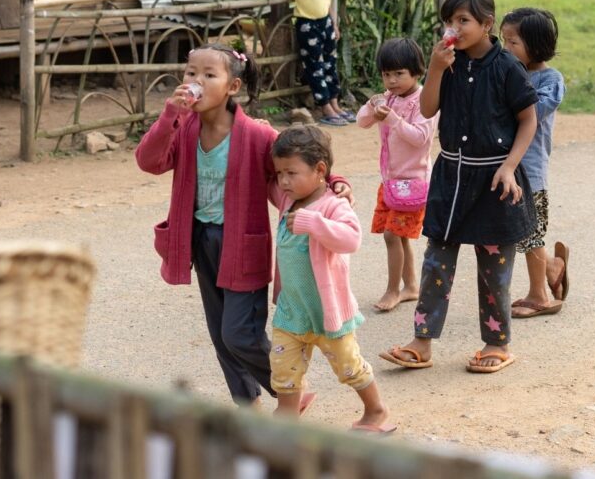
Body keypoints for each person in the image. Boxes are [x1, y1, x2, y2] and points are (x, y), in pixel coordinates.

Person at [135, 43, 353, 407]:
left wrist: (333, 182)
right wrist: (169, 116)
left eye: (209, 75)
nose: (196, 81)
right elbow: (149, 161)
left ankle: (288, 391)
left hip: (242, 245)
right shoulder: (184, 128)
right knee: (221, 334)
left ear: (232, 87)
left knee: (240, 334)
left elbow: (299, 157)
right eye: (191, 73)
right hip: (200, 240)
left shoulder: (255, 134)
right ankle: (245, 400)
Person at [379, 0, 538, 374]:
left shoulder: (507, 67)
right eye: (448, 20)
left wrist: (508, 166)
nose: (453, 27)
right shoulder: (448, 63)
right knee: (437, 261)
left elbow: (528, 119)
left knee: (494, 268)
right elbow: (429, 106)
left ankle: (496, 343)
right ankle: (421, 343)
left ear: (486, 24)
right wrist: (434, 69)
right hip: (452, 176)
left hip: (495, 179)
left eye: (462, 20)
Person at [270, 125, 395, 433]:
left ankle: (376, 410)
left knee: (349, 365)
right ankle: (287, 416)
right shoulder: (289, 199)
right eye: (279, 173)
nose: (283, 181)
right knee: (283, 367)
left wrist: (315, 222)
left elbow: (351, 239)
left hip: (327, 312)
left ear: (320, 170)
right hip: (292, 311)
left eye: (291, 173)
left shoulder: (332, 205)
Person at [235, 0, 354, 126]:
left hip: (325, 24)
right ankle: (325, 107)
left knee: (330, 64)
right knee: (315, 66)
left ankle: (335, 103)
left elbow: (328, 1)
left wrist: (335, 24)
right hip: (308, 25)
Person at [356, 38, 437, 313]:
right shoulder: (389, 98)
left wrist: (391, 119)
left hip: (413, 182)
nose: (391, 80)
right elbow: (361, 122)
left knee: (392, 235)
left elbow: (421, 138)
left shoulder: (424, 101)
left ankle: (393, 290)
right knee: (398, 236)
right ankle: (411, 285)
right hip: (390, 181)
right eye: (386, 74)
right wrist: (372, 106)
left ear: (417, 71)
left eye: (399, 73)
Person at [499, 8, 569, 318]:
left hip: (531, 171)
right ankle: (552, 267)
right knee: (516, 232)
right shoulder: (508, 71)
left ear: (536, 45)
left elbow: (531, 112)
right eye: (503, 42)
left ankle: (540, 295)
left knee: (530, 232)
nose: (506, 49)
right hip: (505, 168)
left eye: (513, 43)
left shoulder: (551, 79)